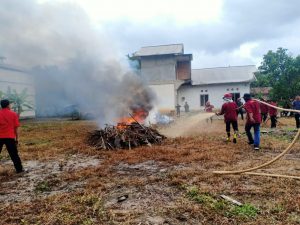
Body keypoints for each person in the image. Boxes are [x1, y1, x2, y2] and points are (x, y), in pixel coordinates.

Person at [0, 99, 24, 173]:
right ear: (8, 105)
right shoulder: (13, 114)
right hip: (10, 137)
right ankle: (19, 170)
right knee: (14, 155)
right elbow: (16, 128)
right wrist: (17, 139)